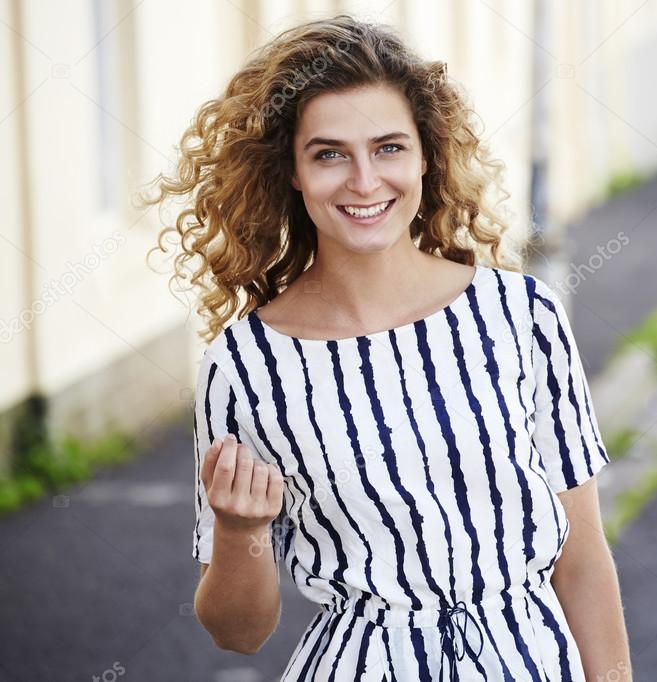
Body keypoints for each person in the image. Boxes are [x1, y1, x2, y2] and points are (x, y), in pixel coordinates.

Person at [144, 14, 631, 681]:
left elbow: (581, 559)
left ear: (426, 155)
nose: (364, 181)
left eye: (388, 148)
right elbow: (238, 634)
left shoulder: (521, 316)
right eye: (329, 153)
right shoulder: (246, 367)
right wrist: (237, 532)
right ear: (290, 170)